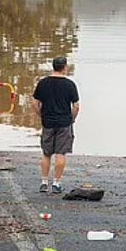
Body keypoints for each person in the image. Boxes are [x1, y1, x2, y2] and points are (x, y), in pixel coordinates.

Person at [33, 56, 80, 194]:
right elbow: (76, 106)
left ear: (53, 66)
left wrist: (41, 115)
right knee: (61, 153)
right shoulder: (70, 85)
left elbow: (35, 102)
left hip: (48, 122)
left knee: (46, 153)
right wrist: (72, 119)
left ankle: (43, 182)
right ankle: (57, 183)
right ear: (64, 67)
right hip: (64, 123)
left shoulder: (43, 83)